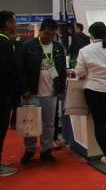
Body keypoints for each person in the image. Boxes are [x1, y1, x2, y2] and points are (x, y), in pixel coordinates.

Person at [17, 18, 66, 164]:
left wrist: (61, 89)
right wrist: (25, 89)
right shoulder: (28, 46)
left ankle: (46, 150)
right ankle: (29, 150)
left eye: (52, 34)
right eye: (46, 33)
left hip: (51, 92)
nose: (49, 37)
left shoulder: (58, 47)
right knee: (30, 123)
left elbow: (62, 70)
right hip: (31, 93)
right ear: (40, 31)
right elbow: (20, 70)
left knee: (49, 123)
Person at [74, 22, 106, 164]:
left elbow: (79, 72)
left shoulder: (85, 51)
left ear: (91, 35)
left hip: (94, 91)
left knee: (99, 123)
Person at [0, 11, 18, 177]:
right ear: (7, 23)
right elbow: (7, 71)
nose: (16, 24)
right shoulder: (5, 44)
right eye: (14, 21)